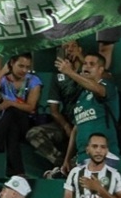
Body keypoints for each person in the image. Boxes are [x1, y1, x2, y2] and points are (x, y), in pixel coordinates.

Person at [54, 52, 120, 172]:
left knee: (100, 190)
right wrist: (67, 159)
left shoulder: (107, 86)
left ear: (100, 70)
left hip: (105, 155)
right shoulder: (82, 97)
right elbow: (76, 128)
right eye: (84, 63)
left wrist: (70, 72)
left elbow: (97, 89)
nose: (86, 67)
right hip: (83, 157)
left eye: (91, 64)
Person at [0, 53, 42, 177]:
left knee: (12, 110)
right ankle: (17, 172)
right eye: (21, 66)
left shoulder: (33, 80)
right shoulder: (5, 79)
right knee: (12, 128)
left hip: (27, 122)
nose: (24, 70)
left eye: (27, 67)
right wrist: (4, 70)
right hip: (8, 123)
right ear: (11, 63)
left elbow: (30, 107)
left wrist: (10, 103)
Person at [29, 41, 82, 169]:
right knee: (34, 134)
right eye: (66, 47)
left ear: (80, 49)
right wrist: (66, 126)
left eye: (73, 46)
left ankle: (77, 163)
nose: (69, 50)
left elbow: (103, 78)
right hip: (67, 121)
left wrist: (81, 59)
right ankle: (62, 163)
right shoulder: (58, 75)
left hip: (86, 121)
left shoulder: (88, 70)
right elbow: (54, 110)